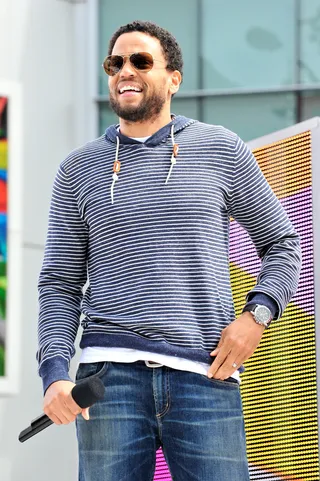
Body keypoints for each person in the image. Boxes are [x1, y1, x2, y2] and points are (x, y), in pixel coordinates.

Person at [37, 20, 301, 481]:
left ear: (174, 79)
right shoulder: (77, 168)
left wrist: (255, 317)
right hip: (106, 382)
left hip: (205, 375)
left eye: (141, 61)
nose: (125, 71)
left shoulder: (221, 149)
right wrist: (55, 371)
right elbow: (59, 283)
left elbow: (282, 243)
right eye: (115, 63)